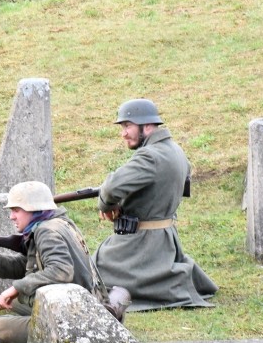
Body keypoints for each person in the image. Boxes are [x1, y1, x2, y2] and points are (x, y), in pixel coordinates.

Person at [93, 98, 218, 311]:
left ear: (147, 126)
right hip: (165, 241)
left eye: (127, 126)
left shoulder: (150, 156)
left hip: (141, 245)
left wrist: (107, 205)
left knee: (91, 272)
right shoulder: (174, 150)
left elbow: (111, 188)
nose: (123, 133)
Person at [0, 180, 115, 343]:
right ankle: (18, 322)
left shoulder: (46, 231)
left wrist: (16, 288)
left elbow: (61, 271)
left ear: (33, 209)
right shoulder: (56, 223)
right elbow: (28, 265)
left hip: (74, 317)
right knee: (16, 300)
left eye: (16, 210)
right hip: (79, 303)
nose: (12, 216)